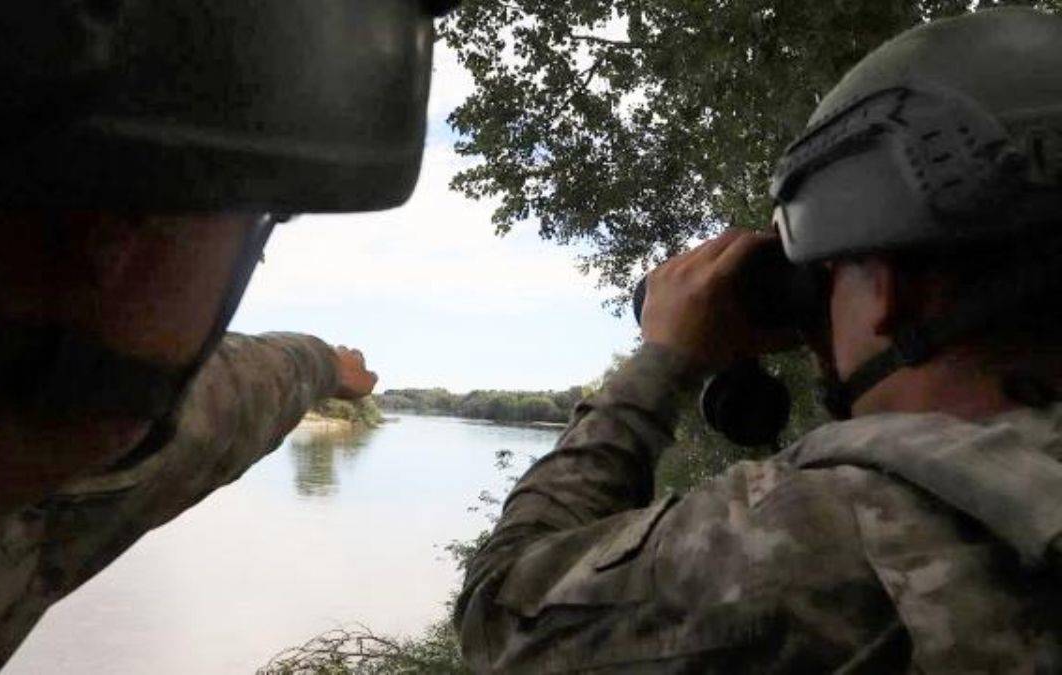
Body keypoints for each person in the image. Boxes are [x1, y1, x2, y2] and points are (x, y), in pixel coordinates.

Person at [454, 7, 1062, 673]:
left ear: (888, 288)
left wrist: (662, 362)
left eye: (827, 275)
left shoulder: (844, 531)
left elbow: (501, 618)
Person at [0, 0, 454, 669]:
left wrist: (322, 365)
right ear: (115, 234)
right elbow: (199, 417)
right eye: (258, 222)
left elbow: (228, 397)